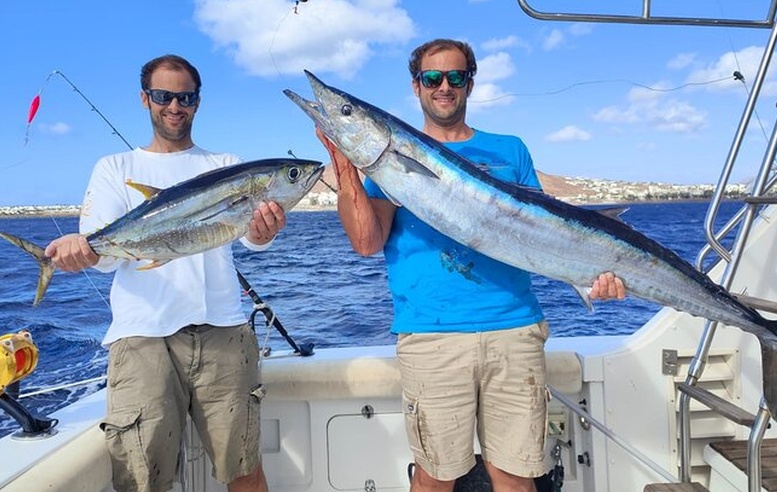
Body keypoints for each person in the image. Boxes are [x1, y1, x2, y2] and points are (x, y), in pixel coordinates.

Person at [316, 38, 626, 492]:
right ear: (416, 86)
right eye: (432, 77)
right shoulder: (388, 165)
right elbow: (367, 241)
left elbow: (548, 232)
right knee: (434, 479)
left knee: (516, 479)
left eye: (455, 77)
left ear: (469, 84)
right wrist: (344, 160)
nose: (444, 86)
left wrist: (594, 272)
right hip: (432, 335)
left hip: (514, 331)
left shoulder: (510, 150)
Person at [44, 54, 277, 492]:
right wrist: (82, 251)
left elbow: (251, 238)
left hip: (223, 331)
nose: (174, 106)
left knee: (244, 471)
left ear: (197, 102)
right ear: (145, 99)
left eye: (185, 97)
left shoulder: (226, 164)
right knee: (142, 480)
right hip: (142, 336)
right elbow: (105, 255)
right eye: (163, 96)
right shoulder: (115, 168)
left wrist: (264, 232)